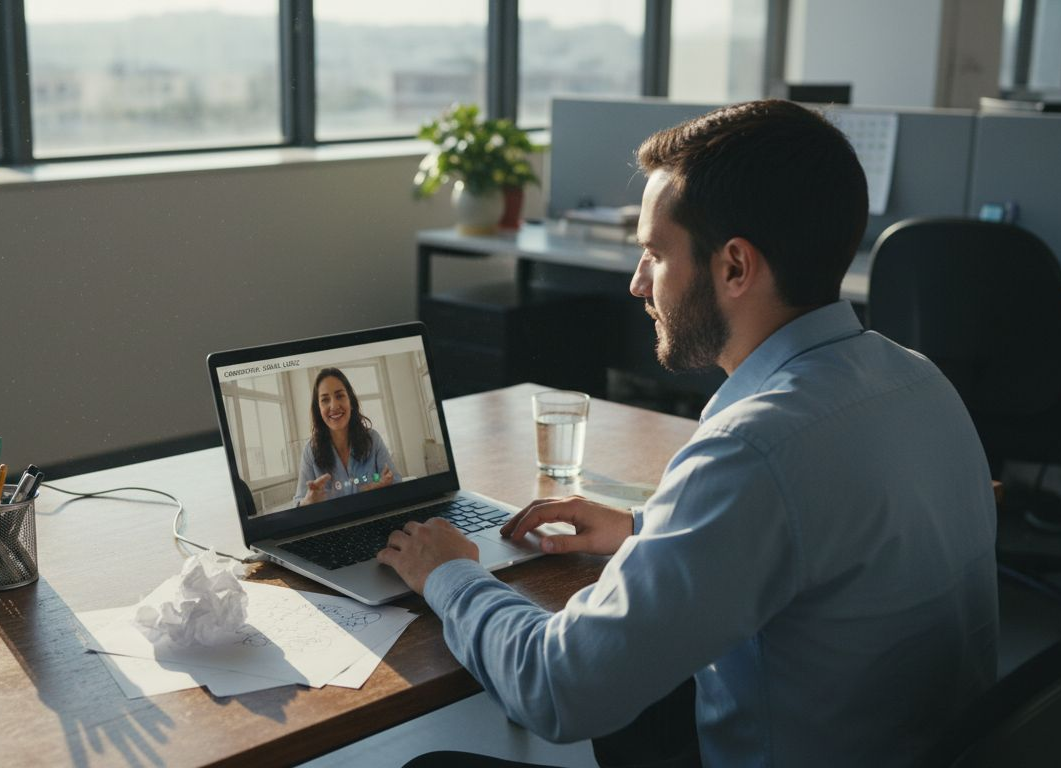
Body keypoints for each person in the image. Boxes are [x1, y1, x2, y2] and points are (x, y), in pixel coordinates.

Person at [378, 100, 998, 767]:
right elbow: (819, 536)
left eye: (654, 253)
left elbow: (557, 690)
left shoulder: (754, 448)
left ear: (735, 267)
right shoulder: (916, 380)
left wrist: (449, 574)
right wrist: (646, 531)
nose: (638, 283)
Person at [294, 367, 398, 506]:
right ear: (318, 410)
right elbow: (298, 503)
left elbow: (396, 483)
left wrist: (383, 490)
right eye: (325, 400)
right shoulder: (310, 451)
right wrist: (308, 502)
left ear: (351, 402)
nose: (334, 405)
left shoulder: (373, 440)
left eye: (340, 396)